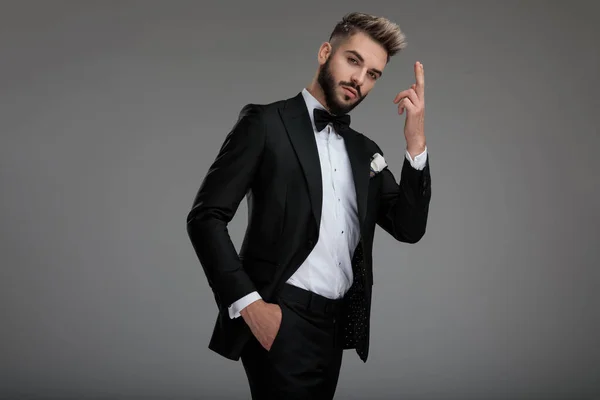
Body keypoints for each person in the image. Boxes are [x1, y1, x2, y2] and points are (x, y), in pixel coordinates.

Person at [186, 11, 431, 400]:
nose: (359, 80)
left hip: (334, 326)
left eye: (372, 74)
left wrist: (415, 144)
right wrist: (251, 306)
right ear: (324, 52)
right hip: (282, 316)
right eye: (353, 61)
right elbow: (205, 218)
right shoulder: (265, 124)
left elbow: (409, 227)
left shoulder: (364, 149)